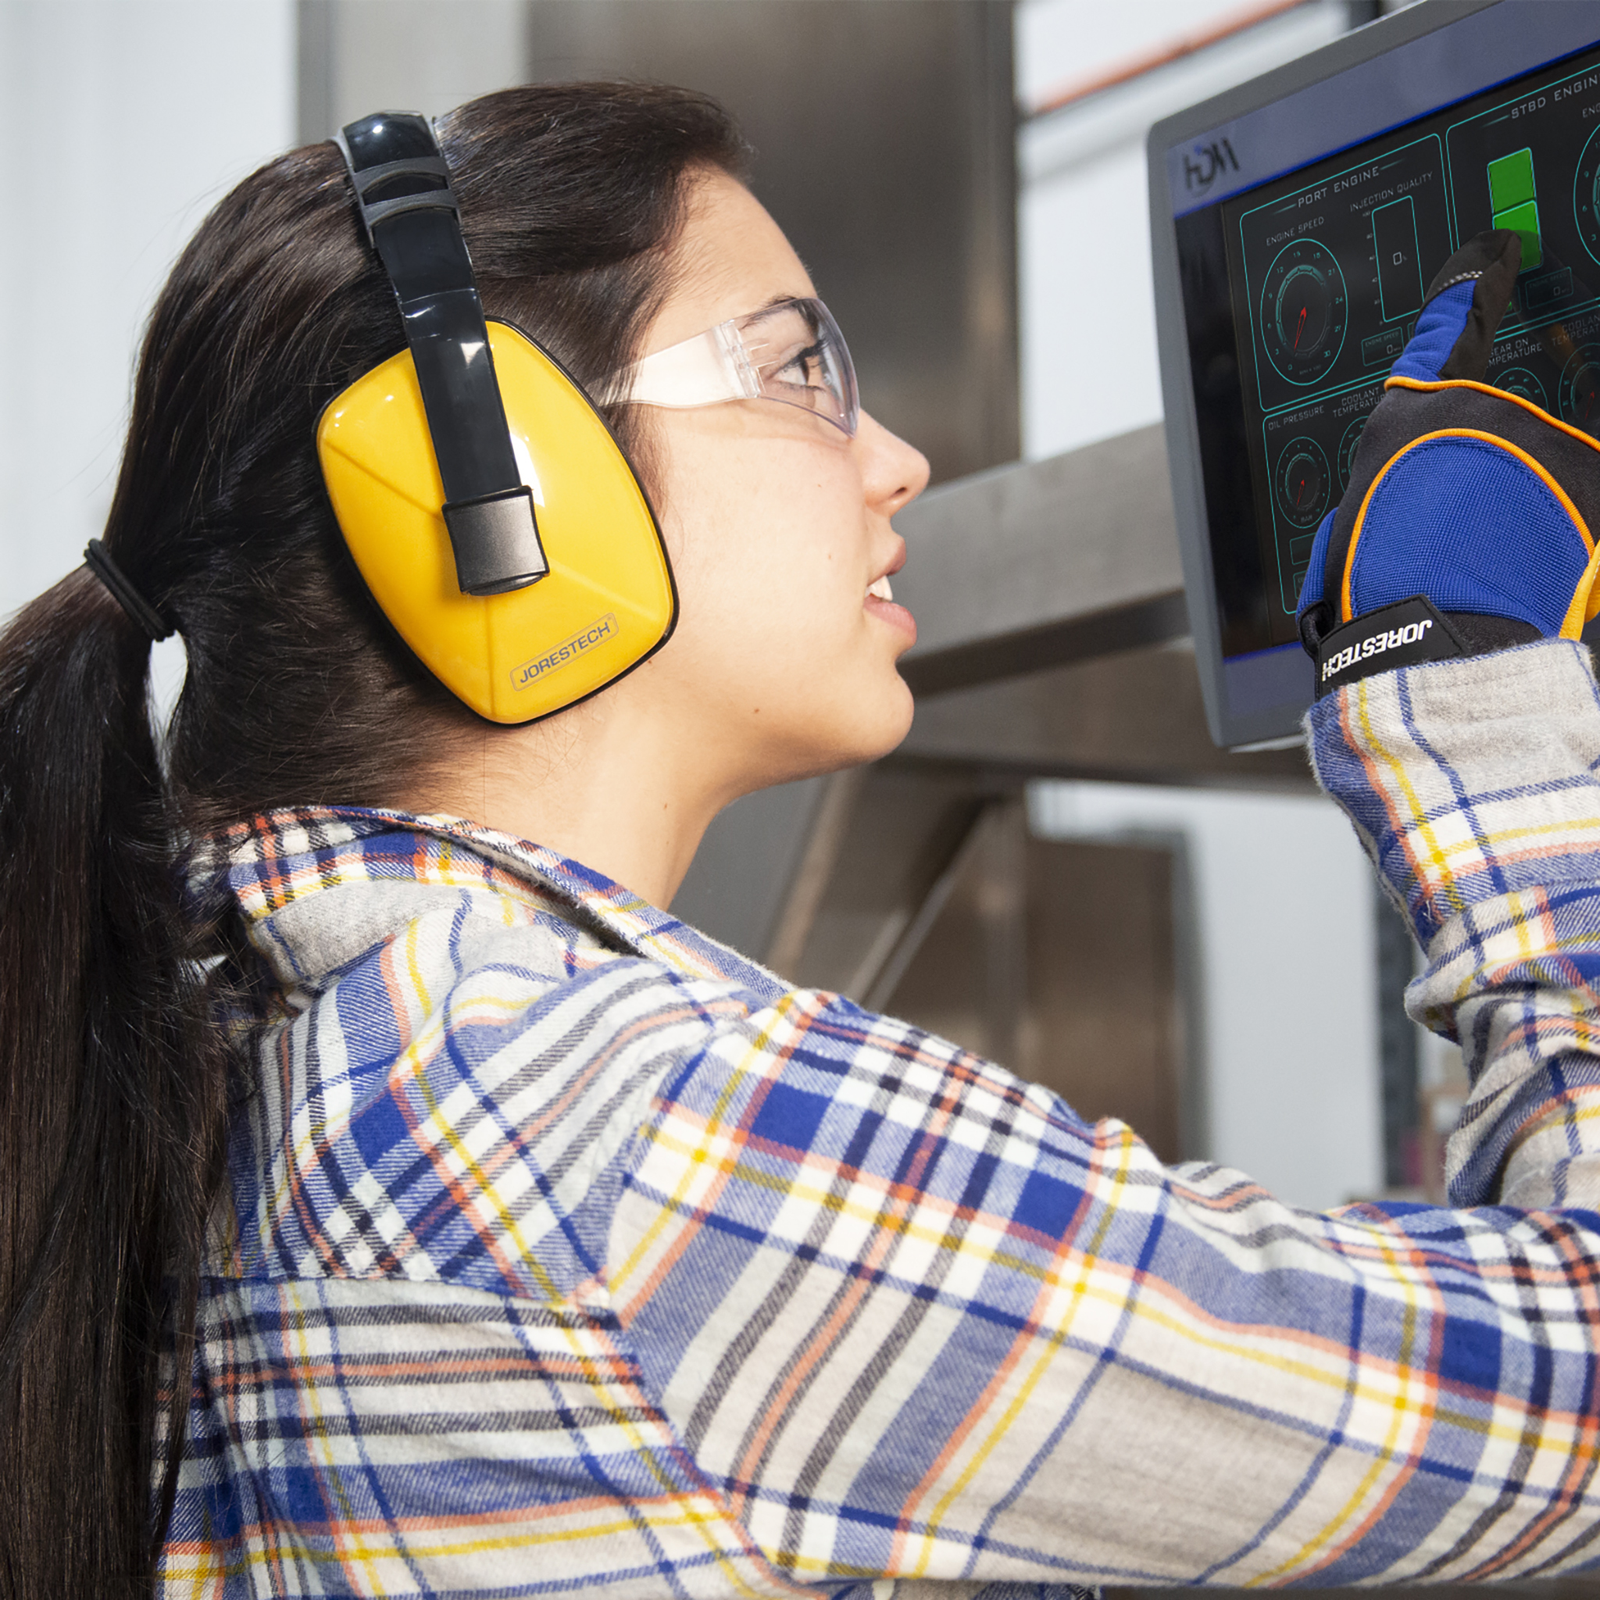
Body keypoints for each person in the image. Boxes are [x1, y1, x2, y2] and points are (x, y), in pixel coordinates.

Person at [0, 82, 1595, 1600]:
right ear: (504, 496)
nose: (897, 460)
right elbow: (1569, 1407)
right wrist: (1458, 686)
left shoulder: (200, 1049)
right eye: (795, 368)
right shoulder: (629, 1120)